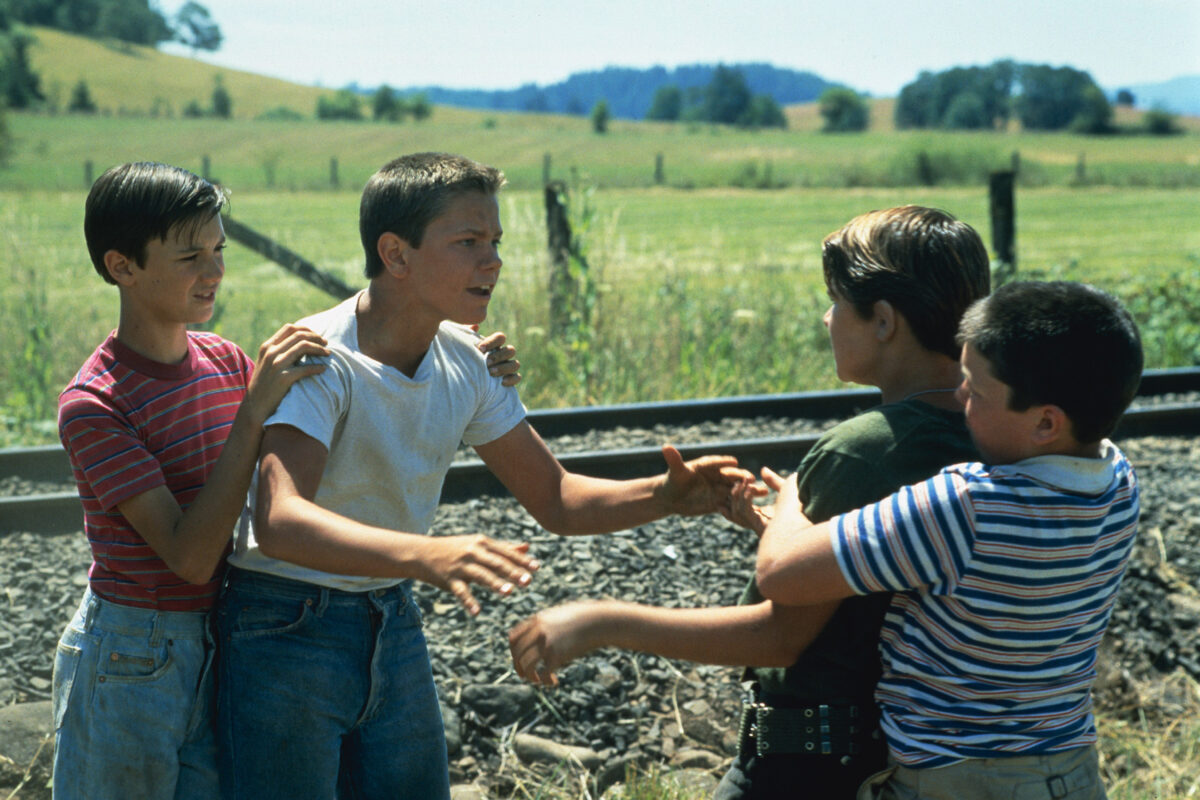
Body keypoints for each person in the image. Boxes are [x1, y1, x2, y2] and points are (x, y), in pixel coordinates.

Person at [215, 151, 752, 800]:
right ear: (396, 254)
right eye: (467, 242)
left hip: (389, 610)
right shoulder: (322, 359)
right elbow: (279, 521)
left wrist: (664, 495)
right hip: (284, 624)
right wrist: (427, 553)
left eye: (495, 241)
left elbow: (555, 498)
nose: (492, 261)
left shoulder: (467, 360)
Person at [51, 161, 521, 800]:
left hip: (218, 636)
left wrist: (461, 344)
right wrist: (253, 411)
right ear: (121, 266)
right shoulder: (96, 404)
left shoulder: (223, 359)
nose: (214, 271)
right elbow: (190, 556)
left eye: (218, 250)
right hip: (134, 651)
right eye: (191, 256)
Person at [508, 205, 992, 798]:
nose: (826, 316)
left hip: (808, 764)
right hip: (887, 755)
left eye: (837, 301)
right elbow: (884, 570)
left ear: (885, 321)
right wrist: (778, 531)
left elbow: (779, 637)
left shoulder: (863, 451)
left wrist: (600, 622)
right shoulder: (985, 431)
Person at [753, 280, 1143, 800]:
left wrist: (792, 498)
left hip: (956, 780)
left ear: (1047, 422)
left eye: (976, 391)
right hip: (1068, 771)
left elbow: (779, 572)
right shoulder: (1118, 483)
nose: (960, 399)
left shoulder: (965, 506)